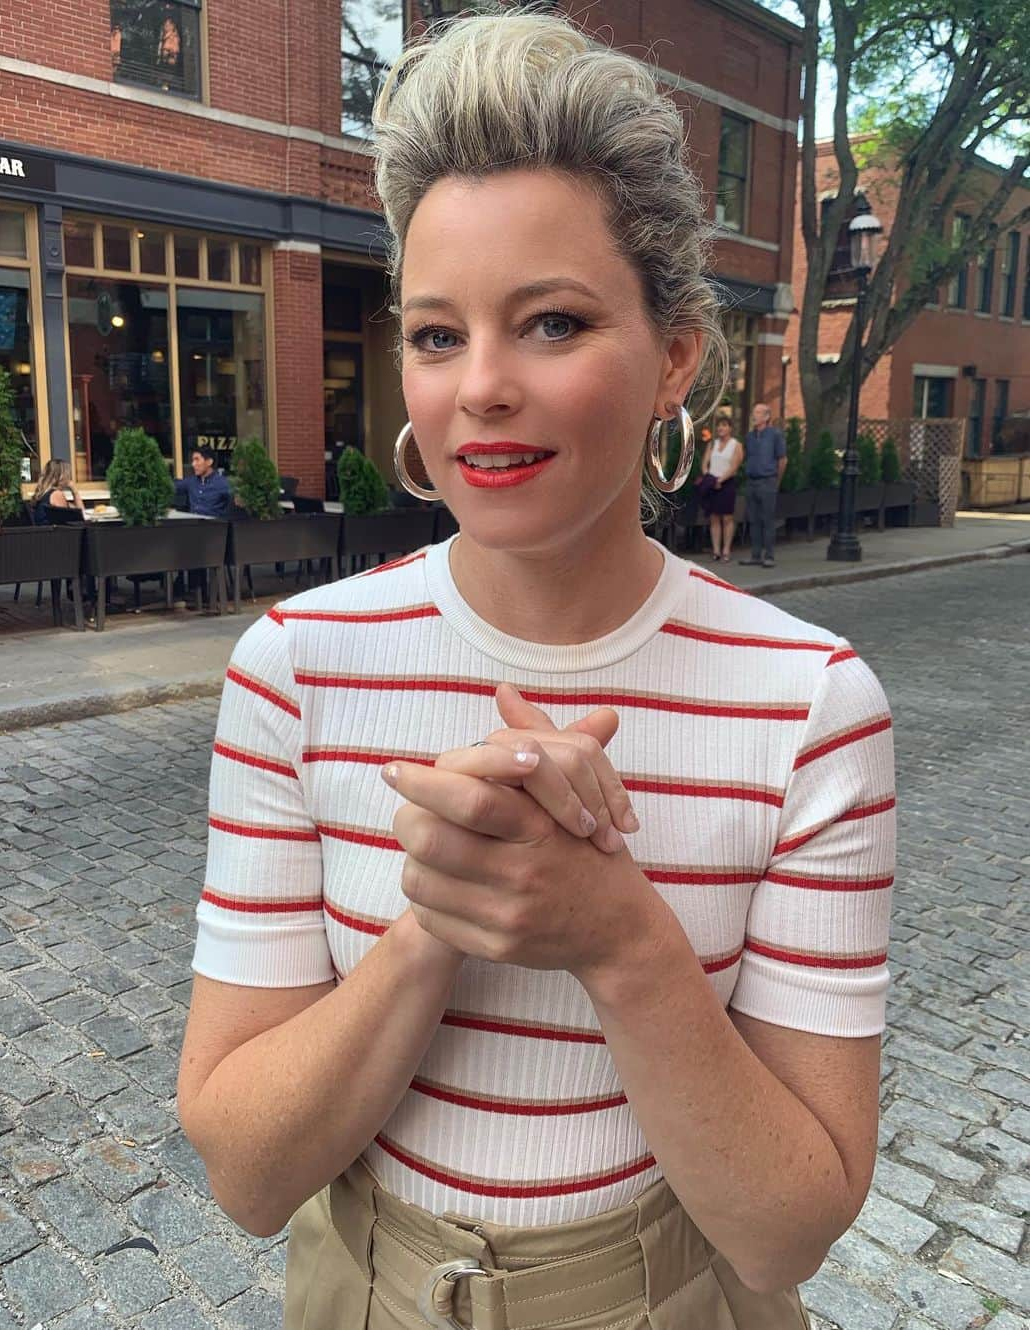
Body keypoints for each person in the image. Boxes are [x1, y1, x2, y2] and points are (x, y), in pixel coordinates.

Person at [177, 15, 895, 1330]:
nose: (482, 388)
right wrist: (442, 914)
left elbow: (789, 1225)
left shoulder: (811, 703)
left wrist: (618, 935)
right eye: (439, 335)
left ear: (674, 354)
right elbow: (244, 1168)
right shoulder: (295, 669)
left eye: (552, 323)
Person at [739, 402, 786, 568]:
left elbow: (782, 460)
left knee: (767, 520)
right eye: (754, 412)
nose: (754, 416)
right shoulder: (750, 436)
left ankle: (769, 555)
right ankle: (755, 555)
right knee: (754, 520)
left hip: (768, 481)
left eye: (758, 413)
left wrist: (776, 481)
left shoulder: (775, 435)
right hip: (752, 482)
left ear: (766, 417)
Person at [699, 412, 743, 561]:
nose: (720, 428)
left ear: (730, 428)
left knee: (727, 518)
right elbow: (705, 463)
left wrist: (721, 480)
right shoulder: (712, 444)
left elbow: (734, 466)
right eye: (719, 425)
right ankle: (716, 550)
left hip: (727, 483)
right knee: (714, 518)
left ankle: (726, 550)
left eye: (724, 425)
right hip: (712, 482)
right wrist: (709, 477)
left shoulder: (736, 445)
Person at [174, 446, 231, 518]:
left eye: (197, 460)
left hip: (214, 526)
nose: (193, 464)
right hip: (192, 525)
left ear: (209, 462)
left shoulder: (223, 483)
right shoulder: (191, 481)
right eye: (193, 460)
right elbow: (170, 486)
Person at [31, 459, 85, 525]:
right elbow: (77, 518)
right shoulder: (56, 494)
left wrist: (74, 491)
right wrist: (75, 491)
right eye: (68, 474)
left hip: (46, 532)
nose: (70, 478)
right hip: (56, 534)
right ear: (61, 476)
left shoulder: (46, 493)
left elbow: (79, 512)